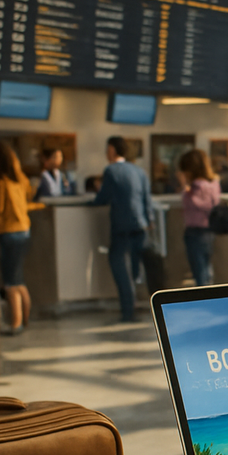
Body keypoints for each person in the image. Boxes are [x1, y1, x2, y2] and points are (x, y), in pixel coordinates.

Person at [90, 136, 154, 322]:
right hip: (141, 227)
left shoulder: (111, 171)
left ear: (112, 149)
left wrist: (91, 200)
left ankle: (128, 310)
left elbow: (103, 198)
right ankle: (141, 305)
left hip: (121, 227)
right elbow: (146, 199)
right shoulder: (139, 171)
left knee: (120, 269)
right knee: (135, 269)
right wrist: (149, 220)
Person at [0, 141, 43, 335]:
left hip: (8, 232)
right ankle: (25, 320)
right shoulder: (20, 180)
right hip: (24, 230)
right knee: (19, 279)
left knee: (10, 281)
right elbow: (28, 200)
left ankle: (15, 323)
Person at [177, 148, 220, 287]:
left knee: (199, 269)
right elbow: (214, 203)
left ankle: (204, 298)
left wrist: (186, 189)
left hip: (195, 230)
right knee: (206, 268)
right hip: (209, 230)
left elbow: (200, 204)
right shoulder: (214, 183)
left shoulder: (196, 187)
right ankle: (209, 295)